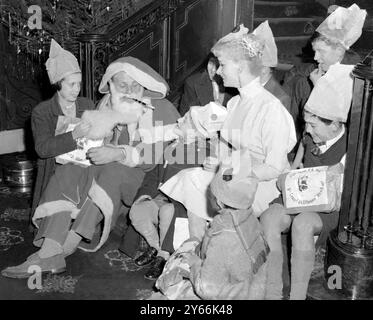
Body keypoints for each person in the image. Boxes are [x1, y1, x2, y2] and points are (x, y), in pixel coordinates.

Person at [1, 56, 180, 279]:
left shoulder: (161, 108)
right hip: (109, 176)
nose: (130, 91)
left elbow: (155, 157)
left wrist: (117, 153)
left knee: (112, 171)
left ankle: (69, 244)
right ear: (111, 86)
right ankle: (51, 247)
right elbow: (92, 145)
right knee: (69, 170)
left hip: (148, 184)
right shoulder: (106, 105)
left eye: (136, 85)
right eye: (123, 85)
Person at [159, 25, 297, 241]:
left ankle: (209, 251)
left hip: (261, 185)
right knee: (190, 179)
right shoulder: (234, 103)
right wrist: (218, 162)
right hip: (233, 175)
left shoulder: (271, 108)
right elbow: (226, 147)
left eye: (222, 65)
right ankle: (195, 248)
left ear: (240, 67)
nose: (219, 72)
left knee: (208, 191)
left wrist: (230, 172)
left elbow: (274, 167)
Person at [261, 63, 354, 300]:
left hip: (330, 207)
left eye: (313, 125)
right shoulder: (308, 136)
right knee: (270, 217)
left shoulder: (350, 147)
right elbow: (294, 168)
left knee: (302, 224)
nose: (308, 130)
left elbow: (344, 194)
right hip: (299, 195)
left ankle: (297, 295)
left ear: (334, 124)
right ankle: (272, 290)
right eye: (306, 123)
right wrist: (286, 178)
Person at [128, 102, 226, 280]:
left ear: (196, 131)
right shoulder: (172, 145)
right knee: (137, 211)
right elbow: (153, 175)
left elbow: (192, 196)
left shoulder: (204, 154)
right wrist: (144, 195)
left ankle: (163, 255)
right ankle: (157, 248)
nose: (180, 119)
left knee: (167, 211)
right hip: (161, 197)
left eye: (186, 119)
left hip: (181, 207)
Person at [154, 157, 269, 300]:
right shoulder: (250, 219)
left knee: (166, 285)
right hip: (251, 291)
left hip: (227, 295)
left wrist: (195, 264)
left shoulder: (223, 236)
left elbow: (207, 289)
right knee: (191, 243)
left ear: (219, 201)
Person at [31, 39, 95, 216]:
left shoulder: (87, 104)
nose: (77, 89)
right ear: (58, 84)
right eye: (71, 84)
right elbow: (42, 149)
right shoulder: (42, 112)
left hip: (87, 169)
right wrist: (73, 135)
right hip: (56, 171)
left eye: (79, 83)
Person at [283, 3, 366, 137]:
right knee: (297, 80)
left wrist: (319, 87)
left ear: (339, 51)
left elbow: (342, 121)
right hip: (311, 137)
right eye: (315, 51)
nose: (316, 57)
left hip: (339, 144)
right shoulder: (323, 66)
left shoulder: (355, 77)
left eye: (321, 51)